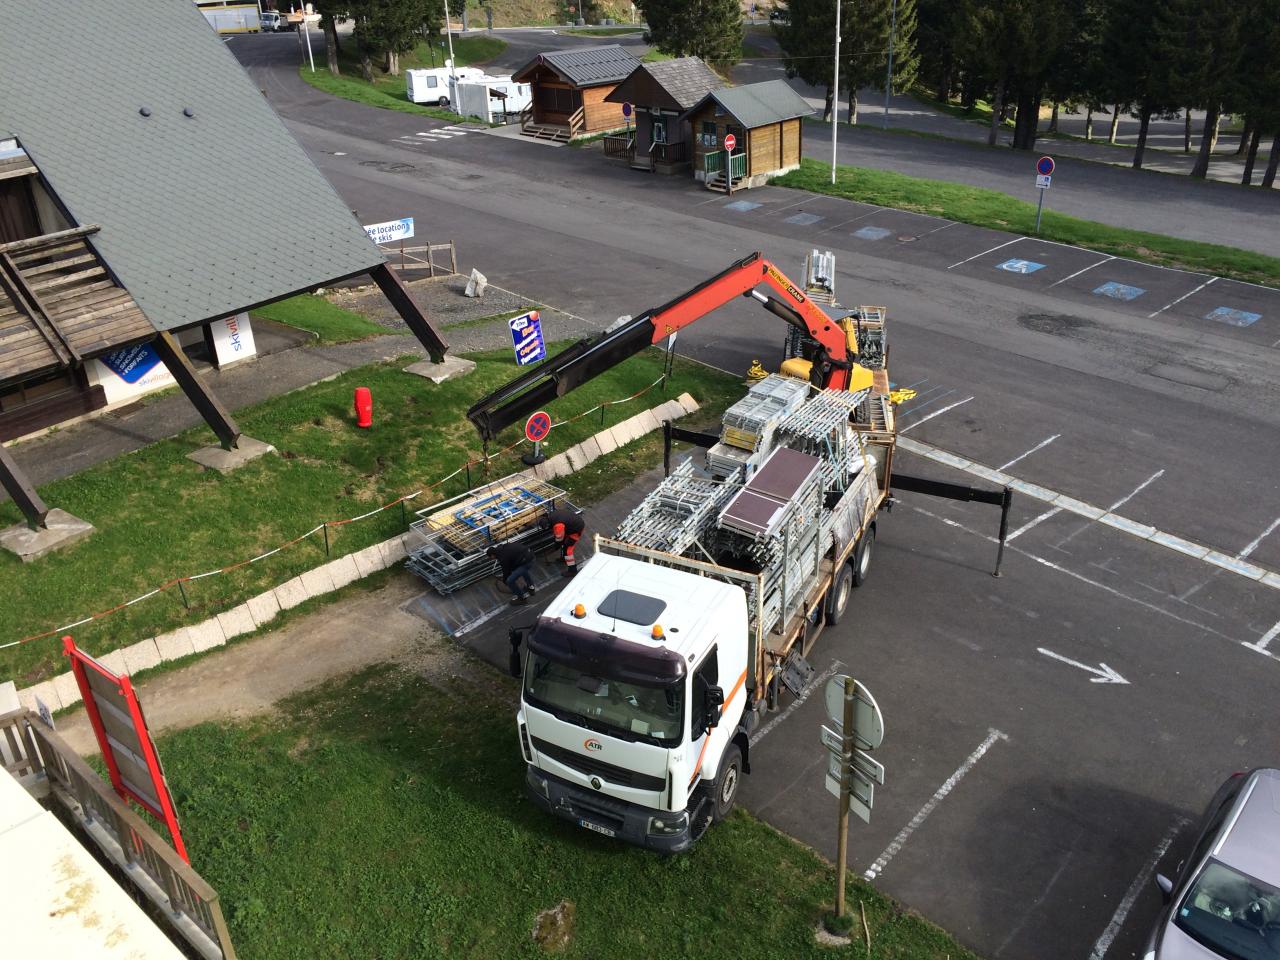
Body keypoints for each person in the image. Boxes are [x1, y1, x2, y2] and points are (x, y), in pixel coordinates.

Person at [547, 507, 586, 578]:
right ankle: (564, 559)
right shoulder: (552, 515)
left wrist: (557, 545)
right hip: (574, 524)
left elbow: (559, 538)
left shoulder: (558, 525)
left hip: (576, 530)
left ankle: (572, 570)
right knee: (564, 544)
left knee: (568, 550)